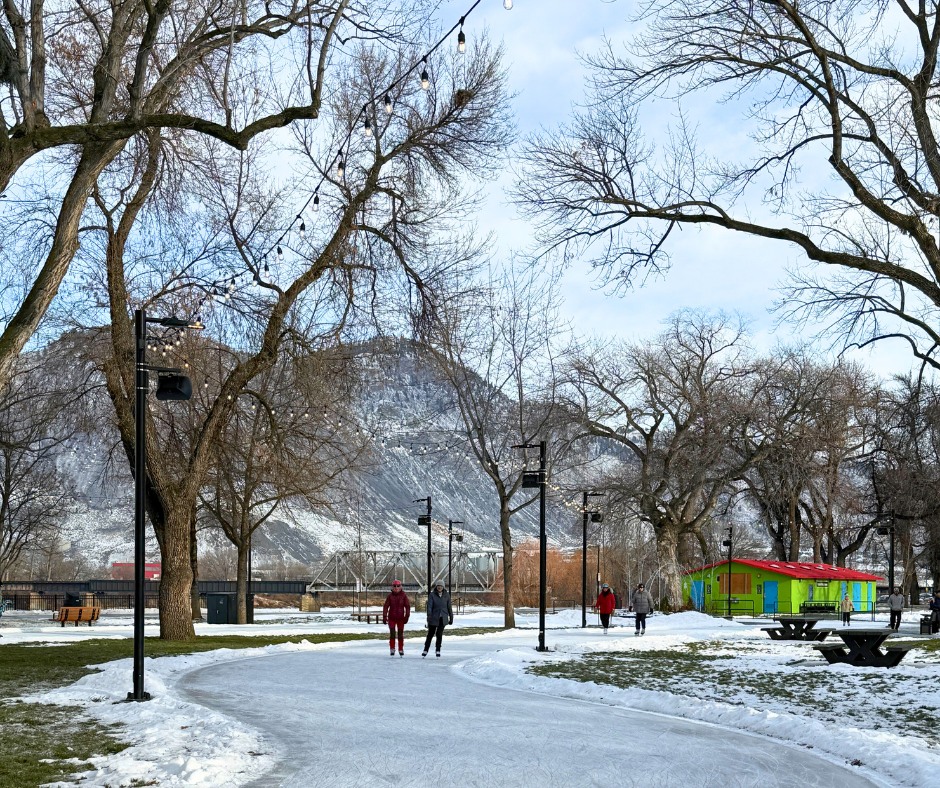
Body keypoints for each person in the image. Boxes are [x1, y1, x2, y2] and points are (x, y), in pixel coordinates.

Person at [423, 582, 453, 658]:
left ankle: (438, 650)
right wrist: (429, 615)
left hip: (443, 618)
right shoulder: (432, 595)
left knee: (439, 634)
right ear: (436, 587)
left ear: (443, 587)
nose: (439, 587)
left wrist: (451, 617)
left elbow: (449, 607)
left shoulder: (446, 595)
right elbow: (429, 606)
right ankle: (426, 649)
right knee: (430, 634)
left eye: (441, 586)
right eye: (438, 586)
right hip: (433, 617)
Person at [382, 580, 410, 657]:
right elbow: (386, 606)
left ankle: (400, 648)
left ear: (401, 587)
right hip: (392, 618)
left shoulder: (404, 596)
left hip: (400, 618)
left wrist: (407, 616)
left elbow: (407, 606)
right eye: (394, 586)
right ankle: (392, 648)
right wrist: (384, 616)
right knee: (392, 633)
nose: (396, 588)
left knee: (400, 634)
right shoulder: (390, 596)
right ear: (392, 587)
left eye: (398, 586)